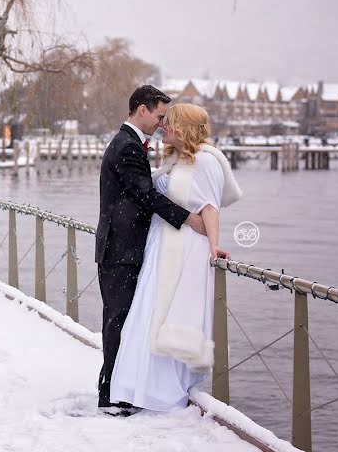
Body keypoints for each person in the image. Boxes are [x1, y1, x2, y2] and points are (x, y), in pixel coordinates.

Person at [109, 103, 242, 412]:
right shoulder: (174, 158)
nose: (163, 127)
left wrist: (213, 246)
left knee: (169, 313)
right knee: (147, 314)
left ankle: (164, 391)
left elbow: (210, 207)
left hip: (184, 248)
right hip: (160, 244)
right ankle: (138, 389)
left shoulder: (206, 161)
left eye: (169, 123)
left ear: (183, 127)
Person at [95, 86, 207, 413]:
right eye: (159, 116)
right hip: (120, 251)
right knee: (118, 321)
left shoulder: (130, 144)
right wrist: (189, 220)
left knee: (122, 322)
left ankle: (118, 392)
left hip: (123, 248)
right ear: (141, 110)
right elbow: (146, 195)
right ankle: (111, 396)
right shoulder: (127, 147)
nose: (161, 124)